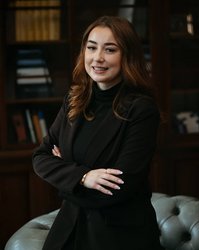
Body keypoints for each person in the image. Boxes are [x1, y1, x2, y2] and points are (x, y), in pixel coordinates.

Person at [32, 15, 164, 250]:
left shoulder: (141, 109)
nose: (98, 58)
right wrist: (85, 177)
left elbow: (117, 189)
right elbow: (40, 157)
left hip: (118, 235)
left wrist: (64, 178)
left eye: (110, 49)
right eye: (91, 48)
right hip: (70, 225)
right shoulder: (75, 99)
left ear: (127, 56)